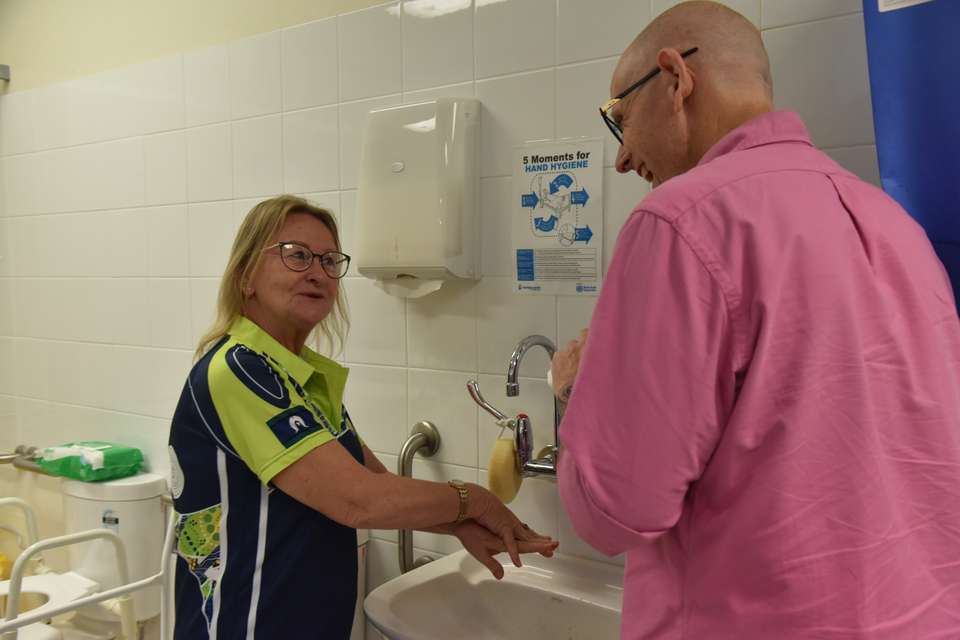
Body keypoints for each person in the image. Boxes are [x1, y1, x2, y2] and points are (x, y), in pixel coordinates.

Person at [550, 2, 960, 638]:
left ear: (675, 79)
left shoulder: (682, 221)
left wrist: (574, 389)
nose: (624, 158)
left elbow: (616, 512)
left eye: (621, 120)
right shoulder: (895, 225)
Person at [168, 195, 557, 639]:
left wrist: (462, 524)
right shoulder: (239, 370)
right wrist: (475, 500)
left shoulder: (297, 379)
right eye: (297, 256)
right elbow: (358, 500)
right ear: (245, 277)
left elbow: (376, 487)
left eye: (330, 261)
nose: (318, 272)